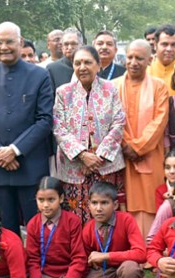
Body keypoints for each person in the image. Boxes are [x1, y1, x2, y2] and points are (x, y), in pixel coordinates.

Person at [0, 22, 54, 236]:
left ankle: (37, 268)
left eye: (9, 41)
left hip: (30, 165)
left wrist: (14, 150)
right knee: (5, 229)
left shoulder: (39, 75)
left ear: (21, 42)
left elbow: (45, 120)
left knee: (36, 227)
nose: (4, 47)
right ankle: (9, 268)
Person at [53, 46, 126, 224]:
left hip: (105, 166)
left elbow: (118, 122)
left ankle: (106, 251)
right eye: (77, 63)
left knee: (106, 216)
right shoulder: (63, 92)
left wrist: (98, 157)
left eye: (87, 62)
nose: (82, 67)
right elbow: (58, 127)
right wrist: (82, 156)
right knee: (77, 218)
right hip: (74, 167)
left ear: (98, 65)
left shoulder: (110, 89)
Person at [72, 181, 146, 278]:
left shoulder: (126, 220)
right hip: (102, 271)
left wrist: (107, 256)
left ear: (115, 204)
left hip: (123, 267)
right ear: (89, 205)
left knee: (130, 270)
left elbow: (140, 253)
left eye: (104, 203)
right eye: (94, 203)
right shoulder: (88, 228)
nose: (98, 208)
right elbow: (84, 259)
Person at [114, 39, 169, 236]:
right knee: (124, 198)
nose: (134, 62)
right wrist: (124, 144)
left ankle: (151, 242)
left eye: (139, 58)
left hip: (150, 154)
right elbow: (111, 121)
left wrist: (137, 147)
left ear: (149, 60)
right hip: (121, 154)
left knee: (149, 199)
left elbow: (160, 120)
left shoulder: (159, 86)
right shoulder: (113, 86)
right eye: (130, 57)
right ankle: (128, 243)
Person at [24, 177, 86, 278]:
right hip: (43, 274)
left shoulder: (72, 221)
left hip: (66, 273)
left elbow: (79, 257)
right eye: (41, 200)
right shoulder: (33, 224)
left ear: (61, 198)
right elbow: (32, 259)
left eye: (51, 200)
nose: (45, 205)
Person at [148, 24, 175, 96]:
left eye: (173, 45)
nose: (169, 49)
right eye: (164, 44)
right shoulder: (146, 69)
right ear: (155, 45)